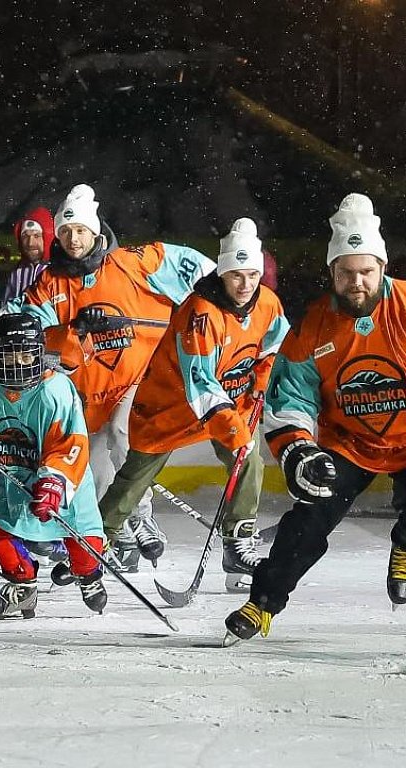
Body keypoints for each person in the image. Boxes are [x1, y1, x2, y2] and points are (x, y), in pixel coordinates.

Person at [225, 193, 406, 644]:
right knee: (305, 521)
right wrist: (299, 451)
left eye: (366, 271)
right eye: (346, 273)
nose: (357, 282)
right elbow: (291, 399)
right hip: (349, 442)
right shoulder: (312, 327)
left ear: (382, 267)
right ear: (332, 273)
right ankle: (262, 602)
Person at [21, 183, 216, 571]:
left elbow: (207, 273)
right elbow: (31, 338)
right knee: (90, 469)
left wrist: (215, 310)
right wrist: (72, 329)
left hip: (138, 381)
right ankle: (120, 530)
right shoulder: (47, 285)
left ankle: (142, 519)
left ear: (96, 231)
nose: (74, 239)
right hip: (85, 394)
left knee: (126, 435)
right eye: (66, 232)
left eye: (81, 231)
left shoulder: (136, 262)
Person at [98, 218, 289, 587]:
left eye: (252, 275)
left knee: (248, 460)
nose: (246, 284)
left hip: (224, 404)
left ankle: (237, 542)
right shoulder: (201, 313)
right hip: (170, 408)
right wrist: (235, 427)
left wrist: (260, 386)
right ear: (222, 272)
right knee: (134, 479)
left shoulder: (267, 302)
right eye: (237, 275)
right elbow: (200, 384)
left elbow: (274, 348)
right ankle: (97, 538)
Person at [0, 313, 107, 618]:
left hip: (62, 482)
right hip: (10, 477)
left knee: (84, 542)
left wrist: (54, 482)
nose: (17, 362)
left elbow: (71, 443)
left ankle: (89, 573)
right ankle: (22, 584)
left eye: (25, 353)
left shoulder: (55, 390)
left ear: (39, 352)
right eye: (8, 353)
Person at [1, 207, 54, 309]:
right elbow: (6, 308)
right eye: (25, 236)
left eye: (36, 236)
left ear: (47, 238)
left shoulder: (59, 271)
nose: (30, 243)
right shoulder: (17, 273)